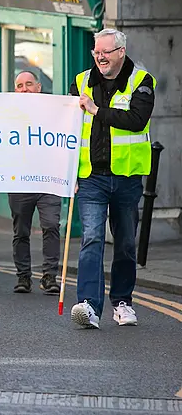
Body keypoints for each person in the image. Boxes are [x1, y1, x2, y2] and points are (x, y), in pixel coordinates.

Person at [69, 28, 155, 329]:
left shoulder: (141, 81)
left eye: (106, 51)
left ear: (121, 51)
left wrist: (95, 110)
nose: (100, 57)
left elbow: (136, 121)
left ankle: (122, 302)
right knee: (91, 238)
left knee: (125, 243)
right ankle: (89, 306)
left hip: (127, 177)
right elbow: (66, 131)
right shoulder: (80, 82)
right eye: (96, 51)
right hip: (91, 177)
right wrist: (68, 173)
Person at [8, 70, 62, 295]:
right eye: (20, 85)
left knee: (51, 226)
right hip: (19, 181)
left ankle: (49, 276)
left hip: (49, 180)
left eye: (29, 84)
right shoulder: (7, 114)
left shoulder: (56, 111)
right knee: (21, 230)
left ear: (39, 87)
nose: (24, 89)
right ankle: (23, 277)